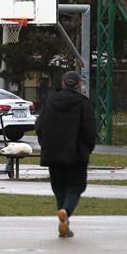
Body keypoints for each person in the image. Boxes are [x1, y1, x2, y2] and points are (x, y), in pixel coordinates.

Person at [36, 71, 96, 238]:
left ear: (63, 83)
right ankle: (66, 211)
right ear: (78, 85)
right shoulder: (84, 103)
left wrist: (45, 145)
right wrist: (87, 149)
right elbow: (90, 131)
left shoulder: (49, 101)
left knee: (59, 189)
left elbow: (39, 127)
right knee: (76, 187)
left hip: (52, 152)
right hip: (76, 154)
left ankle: (64, 222)